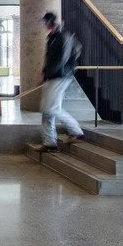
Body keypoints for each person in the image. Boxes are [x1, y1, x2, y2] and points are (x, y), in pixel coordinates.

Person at [29, 12, 85, 152]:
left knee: (50, 109)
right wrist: (43, 74)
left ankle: (76, 131)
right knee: (48, 111)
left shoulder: (62, 37)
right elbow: (50, 59)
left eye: (45, 22)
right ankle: (49, 143)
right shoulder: (52, 38)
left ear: (50, 23)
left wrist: (47, 74)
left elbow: (61, 60)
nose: (44, 25)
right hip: (53, 76)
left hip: (60, 76)